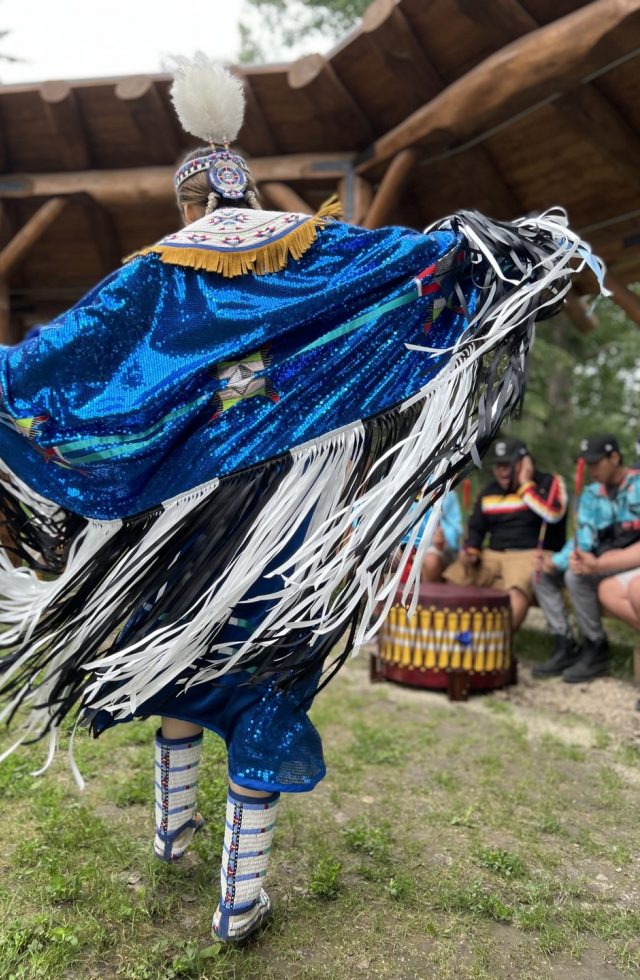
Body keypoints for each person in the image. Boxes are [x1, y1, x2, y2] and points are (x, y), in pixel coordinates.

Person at [0, 57, 602, 943]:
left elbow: (58, 356)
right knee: (266, 673)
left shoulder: (156, 275)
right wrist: (508, 245)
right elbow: (424, 260)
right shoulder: (318, 250)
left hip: (183, 524)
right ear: (247, 190)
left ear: (187, 204)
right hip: (291, 522)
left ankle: (173, 837)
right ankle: (238, 900)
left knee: (173, 651)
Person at [533, 434, 640, 682]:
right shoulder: (591, 493)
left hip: (628, 562)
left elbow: (628, 540)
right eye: (587, 464)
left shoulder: (637, 485)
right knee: (544, 573)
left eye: (596, 463)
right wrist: (560, 560)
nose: (592, 469)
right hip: (600, 560)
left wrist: (590, 563)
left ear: (614, 457)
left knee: (575, 577)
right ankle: (566, 642)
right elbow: (584, 537)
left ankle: (596, 646)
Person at [444, 437, 567, 630]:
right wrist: (471, 549)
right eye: (498, 465)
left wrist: (525, 484)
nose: (501, 470)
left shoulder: (548, 483)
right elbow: (476, 527)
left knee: (515, 590)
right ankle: (453, 639)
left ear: (525, 463)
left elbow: (553, 514)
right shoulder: (489, 492)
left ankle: (496, 649)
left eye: (507, 465)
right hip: (493, 554)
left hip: (530, 553)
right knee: (455, 576)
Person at [397, 490, 463, 583]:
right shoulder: (396, 482)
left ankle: (427, 597)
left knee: (430, 562)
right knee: (373, 563)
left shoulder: (444, 485)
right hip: (397, 546)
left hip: (430, 546)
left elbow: (453, 526)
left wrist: (441, 537)